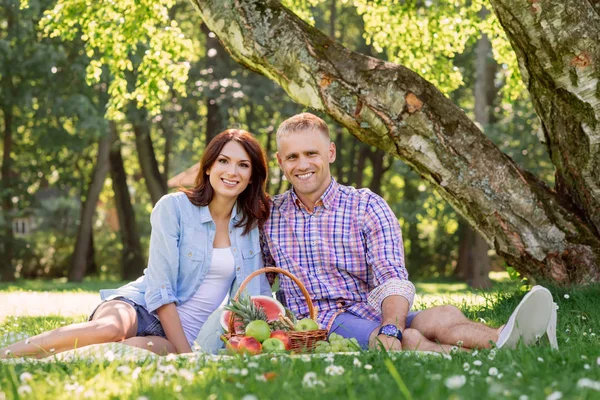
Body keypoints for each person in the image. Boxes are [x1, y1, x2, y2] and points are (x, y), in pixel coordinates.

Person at [261, 113, 558, 352]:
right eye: (292, 157)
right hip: (323, 322)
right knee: (409, 339)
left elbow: (392, 278)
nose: (302, 165)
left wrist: (392, 327)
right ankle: (489, 352)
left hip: (372, 311)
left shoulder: (366, 206)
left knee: (443, 316)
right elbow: (258, 281)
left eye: (311, 153)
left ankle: (506, 335)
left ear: (330, 152)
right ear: (280, 161)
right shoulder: (270, 215)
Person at [1, 129, 272, 359]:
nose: (232, 171)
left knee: (115, 354)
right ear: (209, 166)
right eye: (224, 160)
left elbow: (255, 295)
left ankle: (43, 361)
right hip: (139, 307)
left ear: (252, 176)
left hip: (182, 336)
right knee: (109, 330)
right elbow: (160, 289)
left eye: (243, 164)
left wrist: (187, 350)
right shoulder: (174, 207)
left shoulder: (250, 226)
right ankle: (8, 355)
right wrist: (187, 356)